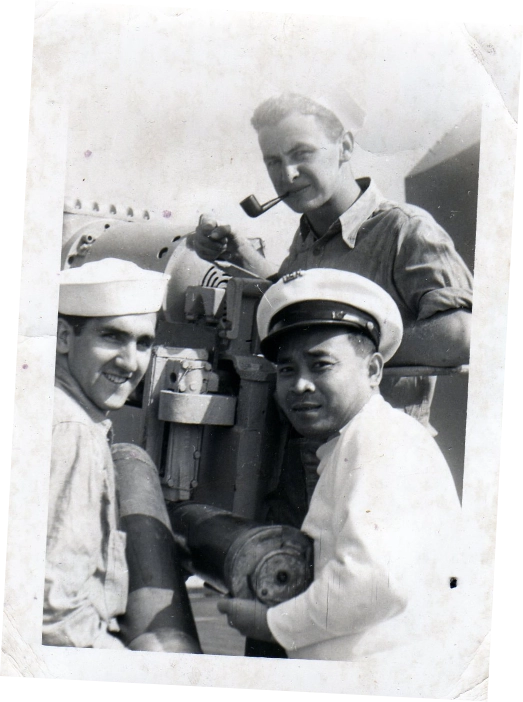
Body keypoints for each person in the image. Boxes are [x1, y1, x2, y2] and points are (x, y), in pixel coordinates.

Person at [218, 269, 468, 690]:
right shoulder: (360, 439)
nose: (299, 385)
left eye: (321, 365)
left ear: (373, 370)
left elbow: (374, 583)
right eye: (286, 369)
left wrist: (272, 623)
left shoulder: (377, 441)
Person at [192, 90, 473, 430]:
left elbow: (461, 336)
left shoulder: (404, 230)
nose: (288, 174)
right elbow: (305, 303)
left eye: (302, 153)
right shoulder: (306, 241)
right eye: (273, 161)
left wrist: (348, 354)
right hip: (313, 458)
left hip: (384, 452)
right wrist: (239, 255)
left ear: (345, 148)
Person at [43, 258, 201, 653]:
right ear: (64, 336)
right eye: (112, 337)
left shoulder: (54, 408)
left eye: (143, 343)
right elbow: (56, 618)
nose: (131, 362)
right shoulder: (72, 430)